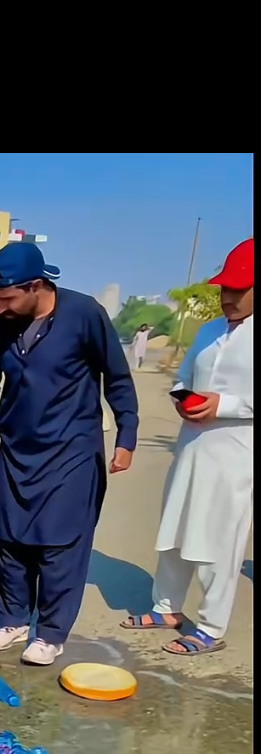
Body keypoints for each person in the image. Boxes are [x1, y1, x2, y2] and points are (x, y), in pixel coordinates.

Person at [0, 243, 138, 665]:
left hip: (71, 452)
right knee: (11, 541)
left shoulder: (84, 315)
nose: (1, 308)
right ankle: (13, 619)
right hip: (17, 451)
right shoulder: (2, 325)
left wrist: (126, 435)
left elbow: (116, 378)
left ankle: (51, 632)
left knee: (60, 546)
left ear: (36, 286)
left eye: (8, 298)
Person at [121, 238, 253, 656]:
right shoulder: (211, 331)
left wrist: (224, 405)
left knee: (219, 539)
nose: (228, 298)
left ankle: (211, 628)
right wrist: (184, 396)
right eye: (224, 289)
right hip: (193, 445)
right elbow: (183, 376)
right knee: (176, 529)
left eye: (239, 290)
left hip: (235, 453)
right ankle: (166, 608)